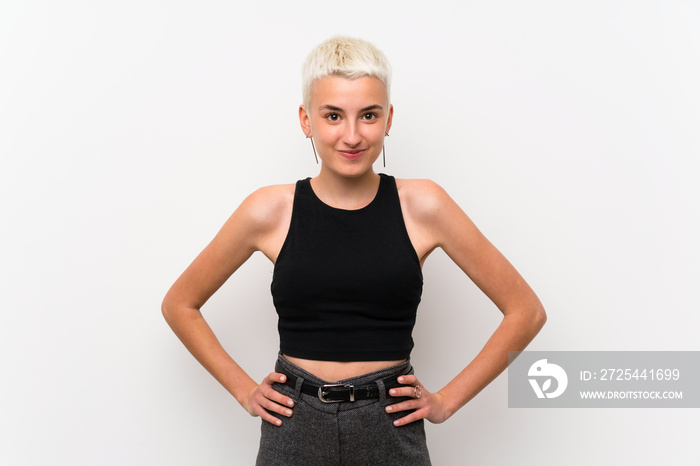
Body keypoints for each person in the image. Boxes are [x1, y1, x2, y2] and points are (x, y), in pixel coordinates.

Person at [162, 36, 546, 465]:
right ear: (306, 120)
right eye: (333, 116)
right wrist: (243, 390)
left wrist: (447, 401)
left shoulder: (423, 205)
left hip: (389, 421)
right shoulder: (268, 210)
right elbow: (181, 303)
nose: (352, 135)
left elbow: (525, 311)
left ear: (388, 119)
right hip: (294, 420)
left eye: (368, 115)